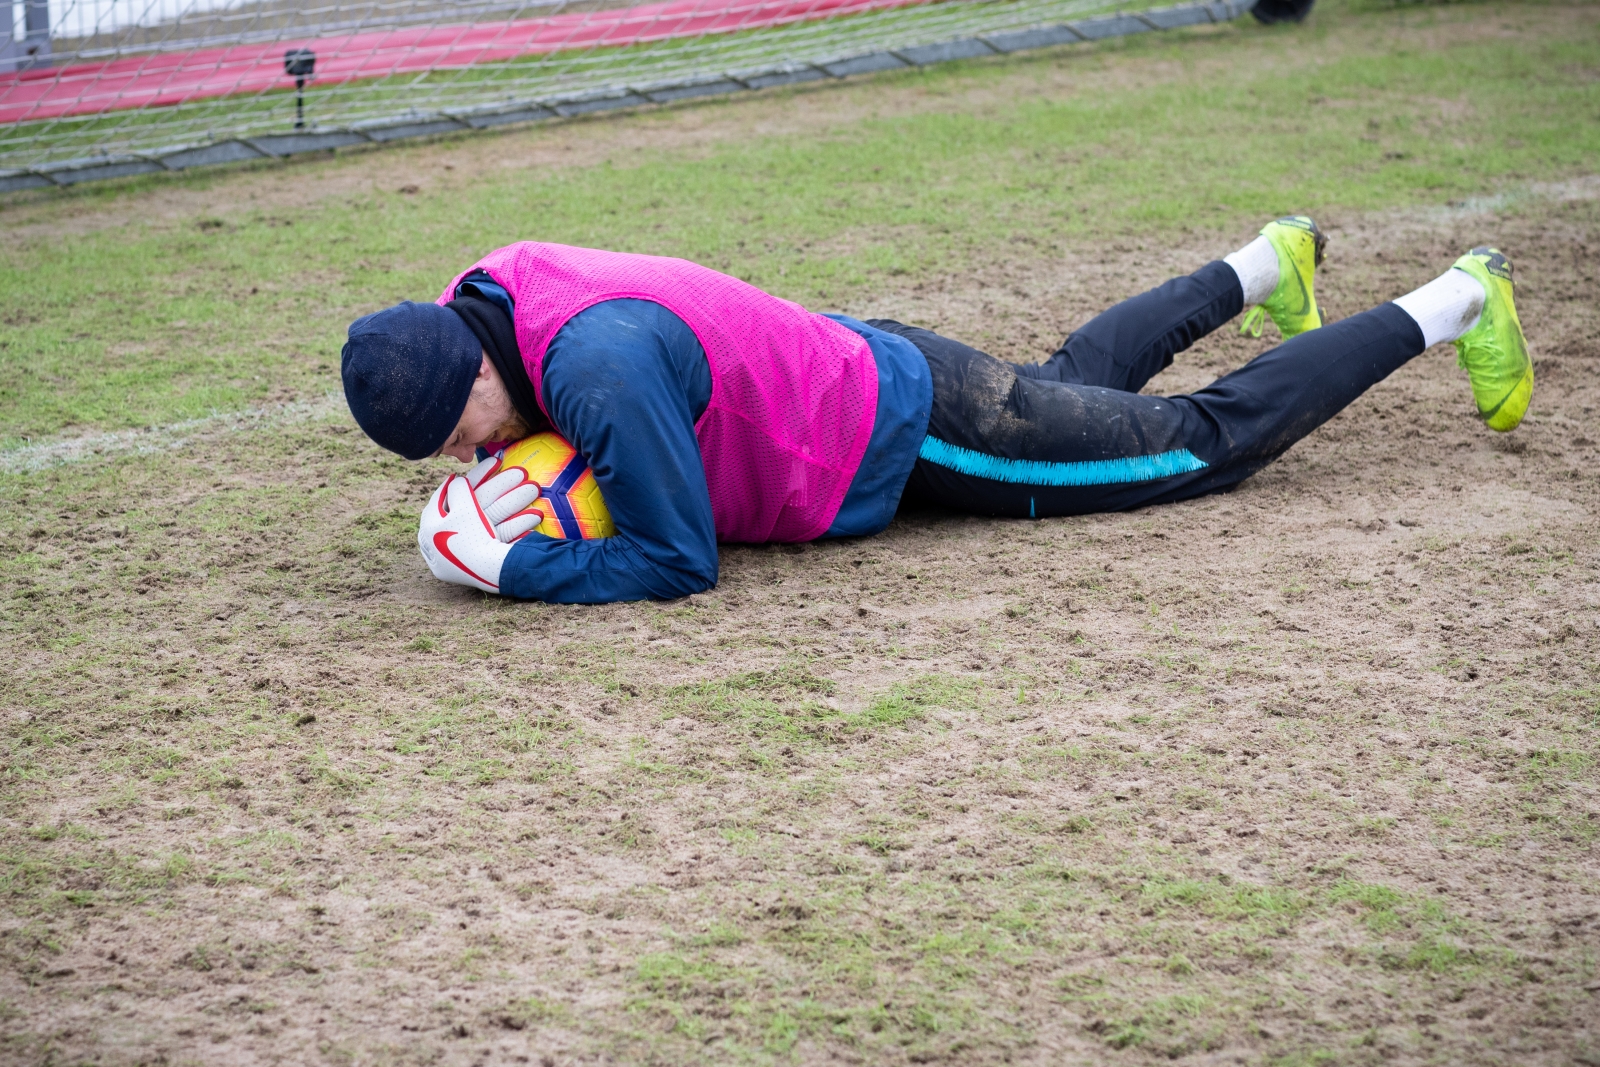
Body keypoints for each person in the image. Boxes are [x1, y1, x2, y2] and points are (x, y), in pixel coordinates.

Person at [339, 218, 1531, 604]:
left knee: (1197, 445)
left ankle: (1452, 301)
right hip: (863, 360)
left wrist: (509, 563)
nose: (473, 450)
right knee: (1073, 381)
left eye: (462, 428)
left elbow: (674, 554)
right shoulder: (479, 299)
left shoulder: (595, 368)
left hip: (903, 428)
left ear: (471, 365)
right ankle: (1265, 262)